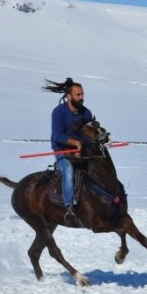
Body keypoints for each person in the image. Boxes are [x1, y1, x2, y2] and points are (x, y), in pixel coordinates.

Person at [42, 77, 92, 226]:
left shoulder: (86, 113)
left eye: (82, 94)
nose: (82, 98)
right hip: (62, 151)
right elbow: (57, 135)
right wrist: (75, 144)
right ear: (69, 96)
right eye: (78, 95)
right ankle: (69, 209)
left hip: (81, 151)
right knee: (69, 173)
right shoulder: (58, 112)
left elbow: (89, 133)